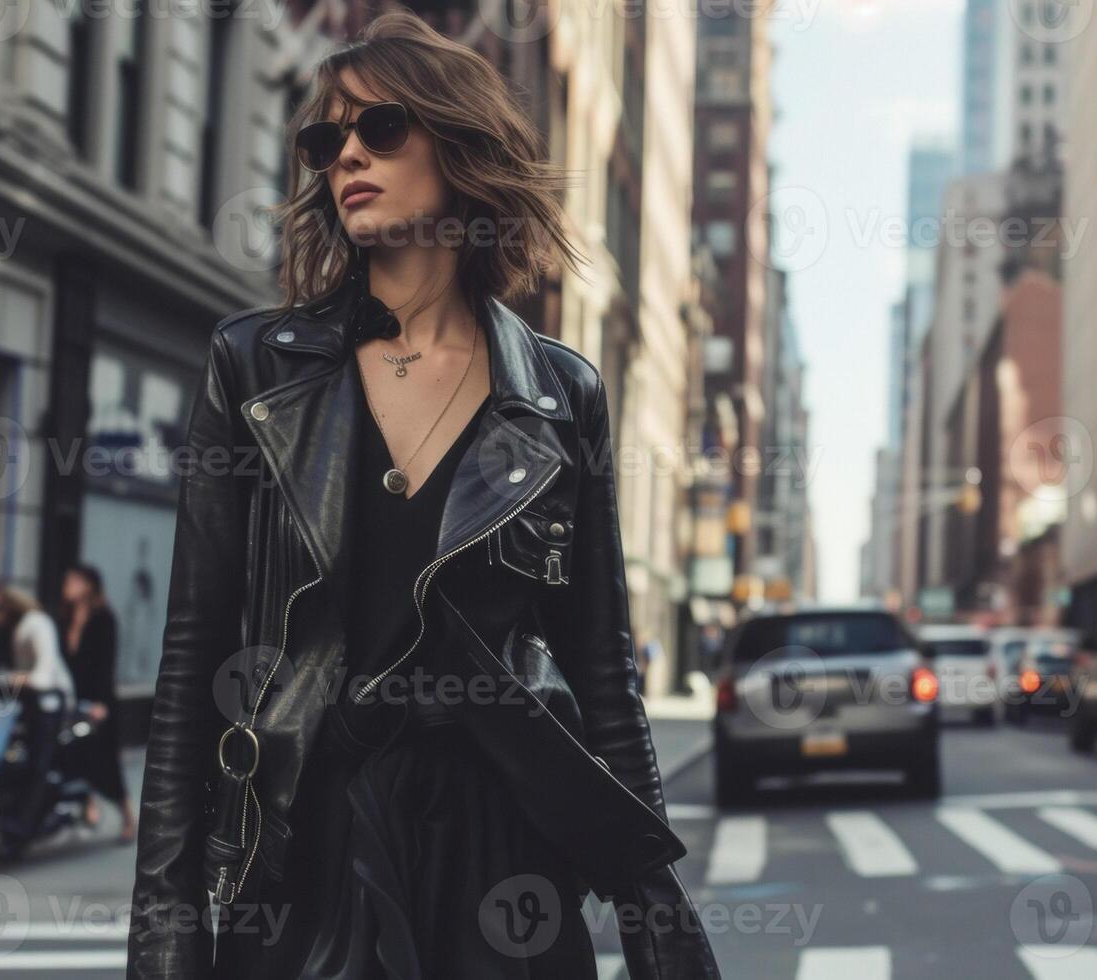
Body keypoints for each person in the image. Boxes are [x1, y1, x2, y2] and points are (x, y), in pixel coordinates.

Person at [127, 11, 720, 979]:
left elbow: (599, 662)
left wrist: (652, 906)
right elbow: (195, 659)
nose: (347, 154)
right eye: (328, 140)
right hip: (307, 832)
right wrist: (165, 924)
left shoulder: (560, 394)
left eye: (381, 128)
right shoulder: (256, 368)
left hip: (503, 852)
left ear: (460, 144)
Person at [0, 581, 75, 841]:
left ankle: (25, 821)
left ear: (10, 603)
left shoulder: (37, 623)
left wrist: (18, 679)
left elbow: (45, 674)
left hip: (51, 700)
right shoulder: (1, 634)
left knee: (38, 756)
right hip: (21, 702)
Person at [59, 563, 137, 844]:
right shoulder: (66, 618)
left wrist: (101, 702)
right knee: (76, 754)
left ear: (88, 585)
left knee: (105, 762)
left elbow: (106, 663)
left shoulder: (104, 618)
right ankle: (87, 805)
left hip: (99, 701)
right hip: (73, 699)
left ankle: (127, 816)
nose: (67, 587)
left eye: (73, 581)